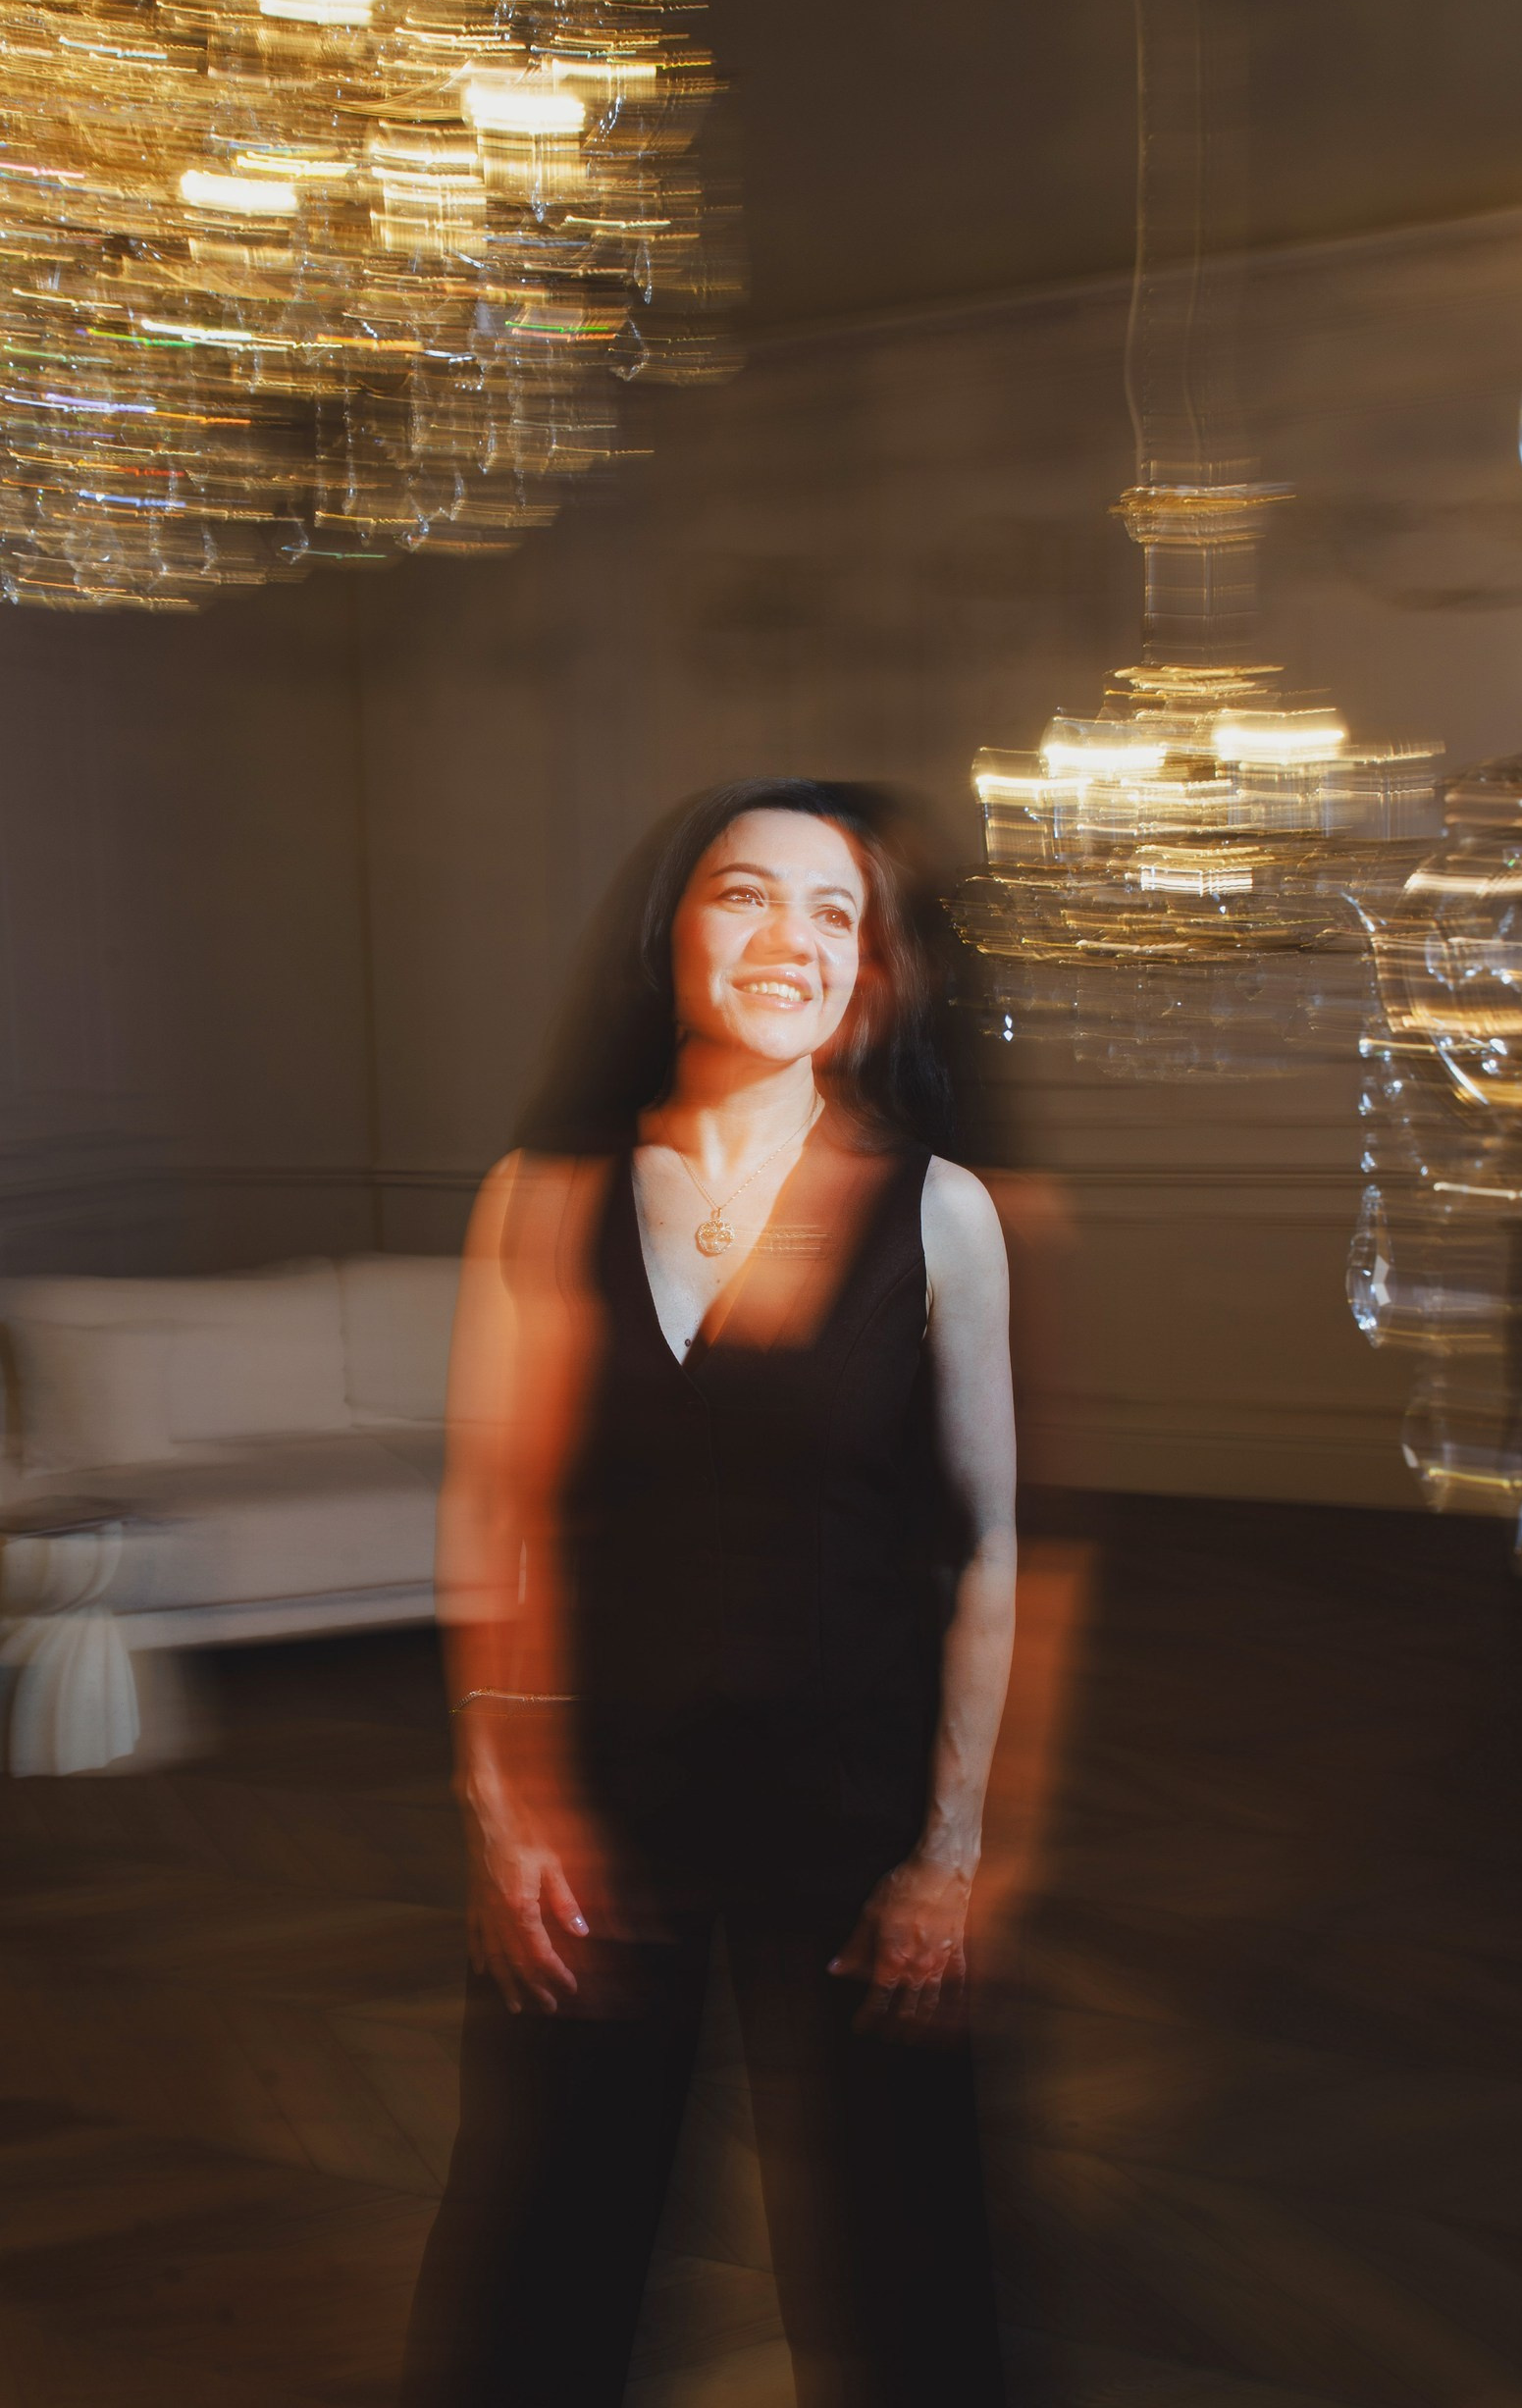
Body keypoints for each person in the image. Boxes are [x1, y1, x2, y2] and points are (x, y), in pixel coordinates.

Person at [401, 778, 1017, 2408]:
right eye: (745, 894)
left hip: (857, 1802)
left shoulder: (942, 1214)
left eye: (834, 911)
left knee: (904, 2259)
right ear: (670, 935)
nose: (788, 938)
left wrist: (950, 1852)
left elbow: (983, 1547)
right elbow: (494, 1512)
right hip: (605, 1806)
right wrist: (503, 1804)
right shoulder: (543, 1196)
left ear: (869, 968)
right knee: (547, 2239)